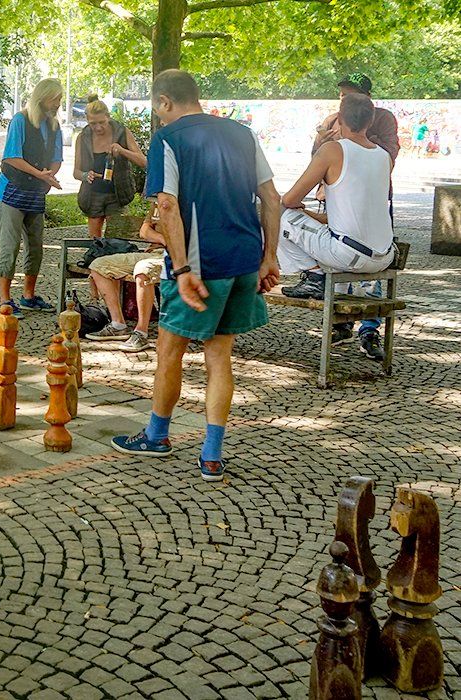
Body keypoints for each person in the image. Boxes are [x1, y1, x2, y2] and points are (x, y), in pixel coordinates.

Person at [110, 70, 281, 482]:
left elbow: (167, 207)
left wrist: (183, 269)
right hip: (243, 261)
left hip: (200, 268)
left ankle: (157, 435)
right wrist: (269, 257)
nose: (159, 117)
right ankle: (211, 455)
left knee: (169, 351)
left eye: (157, 109)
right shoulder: (243, 134)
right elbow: (272, 198)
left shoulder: (169, 139)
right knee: (219, 355)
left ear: (165, 102)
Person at [278, 93, 394, 362]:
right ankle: (353, 324)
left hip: (347, 254)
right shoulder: (384, 157)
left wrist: (322, 146)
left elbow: (289, 199)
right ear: (371, 120)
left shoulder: (333, 150)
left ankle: (315, 277)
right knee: (326, 232)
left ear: (339, 119)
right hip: (382, 255)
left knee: (282, 217)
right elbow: (354, 213)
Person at [0, 78, 64, 319]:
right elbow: (12, 157)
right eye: (55, 99)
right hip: (12, 191)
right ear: (42, 97)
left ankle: (29, 297)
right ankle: (5, 299)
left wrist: (49, 176)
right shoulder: (20, 120)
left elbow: (56, 158)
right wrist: (40, 174)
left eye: (59, 100)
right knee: (9, 246)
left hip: (36, 192)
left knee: (36, 247)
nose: (58, 104)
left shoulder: (54, 126)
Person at [84, 211, 165, 352]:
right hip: (152, 253)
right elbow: (144, 231)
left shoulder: (188, 200)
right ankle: (118, 325)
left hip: (177, 255)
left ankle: (141, 332)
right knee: (98, 266)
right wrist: (164, 239)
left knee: (143, 269)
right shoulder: (157, 202)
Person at [74, 96, 147, 239]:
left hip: (117, 194)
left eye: (102, 122)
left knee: (116, 238)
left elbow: (143, 162)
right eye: (93, 123)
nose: (98, 127)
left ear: (108, 116)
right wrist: (85, 175)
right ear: (87, 120)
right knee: (95, 242)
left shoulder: (122, 132)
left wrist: (122, 150)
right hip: (92, 194)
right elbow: (76, 172)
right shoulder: (83, 137)